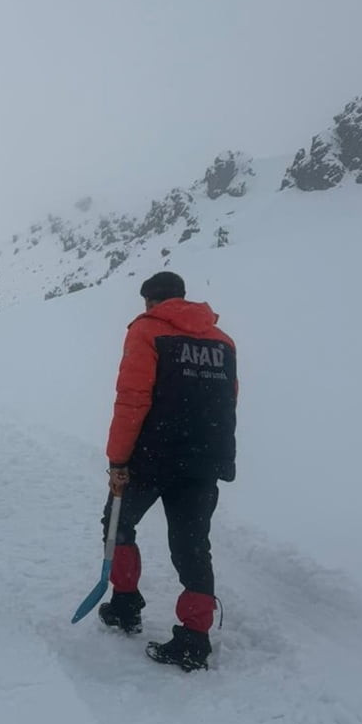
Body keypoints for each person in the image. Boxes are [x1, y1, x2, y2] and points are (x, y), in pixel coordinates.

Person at [98, 271, 237, 671]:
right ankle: (195, 638)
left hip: (151, 456)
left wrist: (118, 460)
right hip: (203, 460)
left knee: (118, 523)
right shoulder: (222, 341)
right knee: (193, 543)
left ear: (149, 302)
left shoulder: (147, 331)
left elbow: (132, 398)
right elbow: (229, 401)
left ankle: (125, 605)